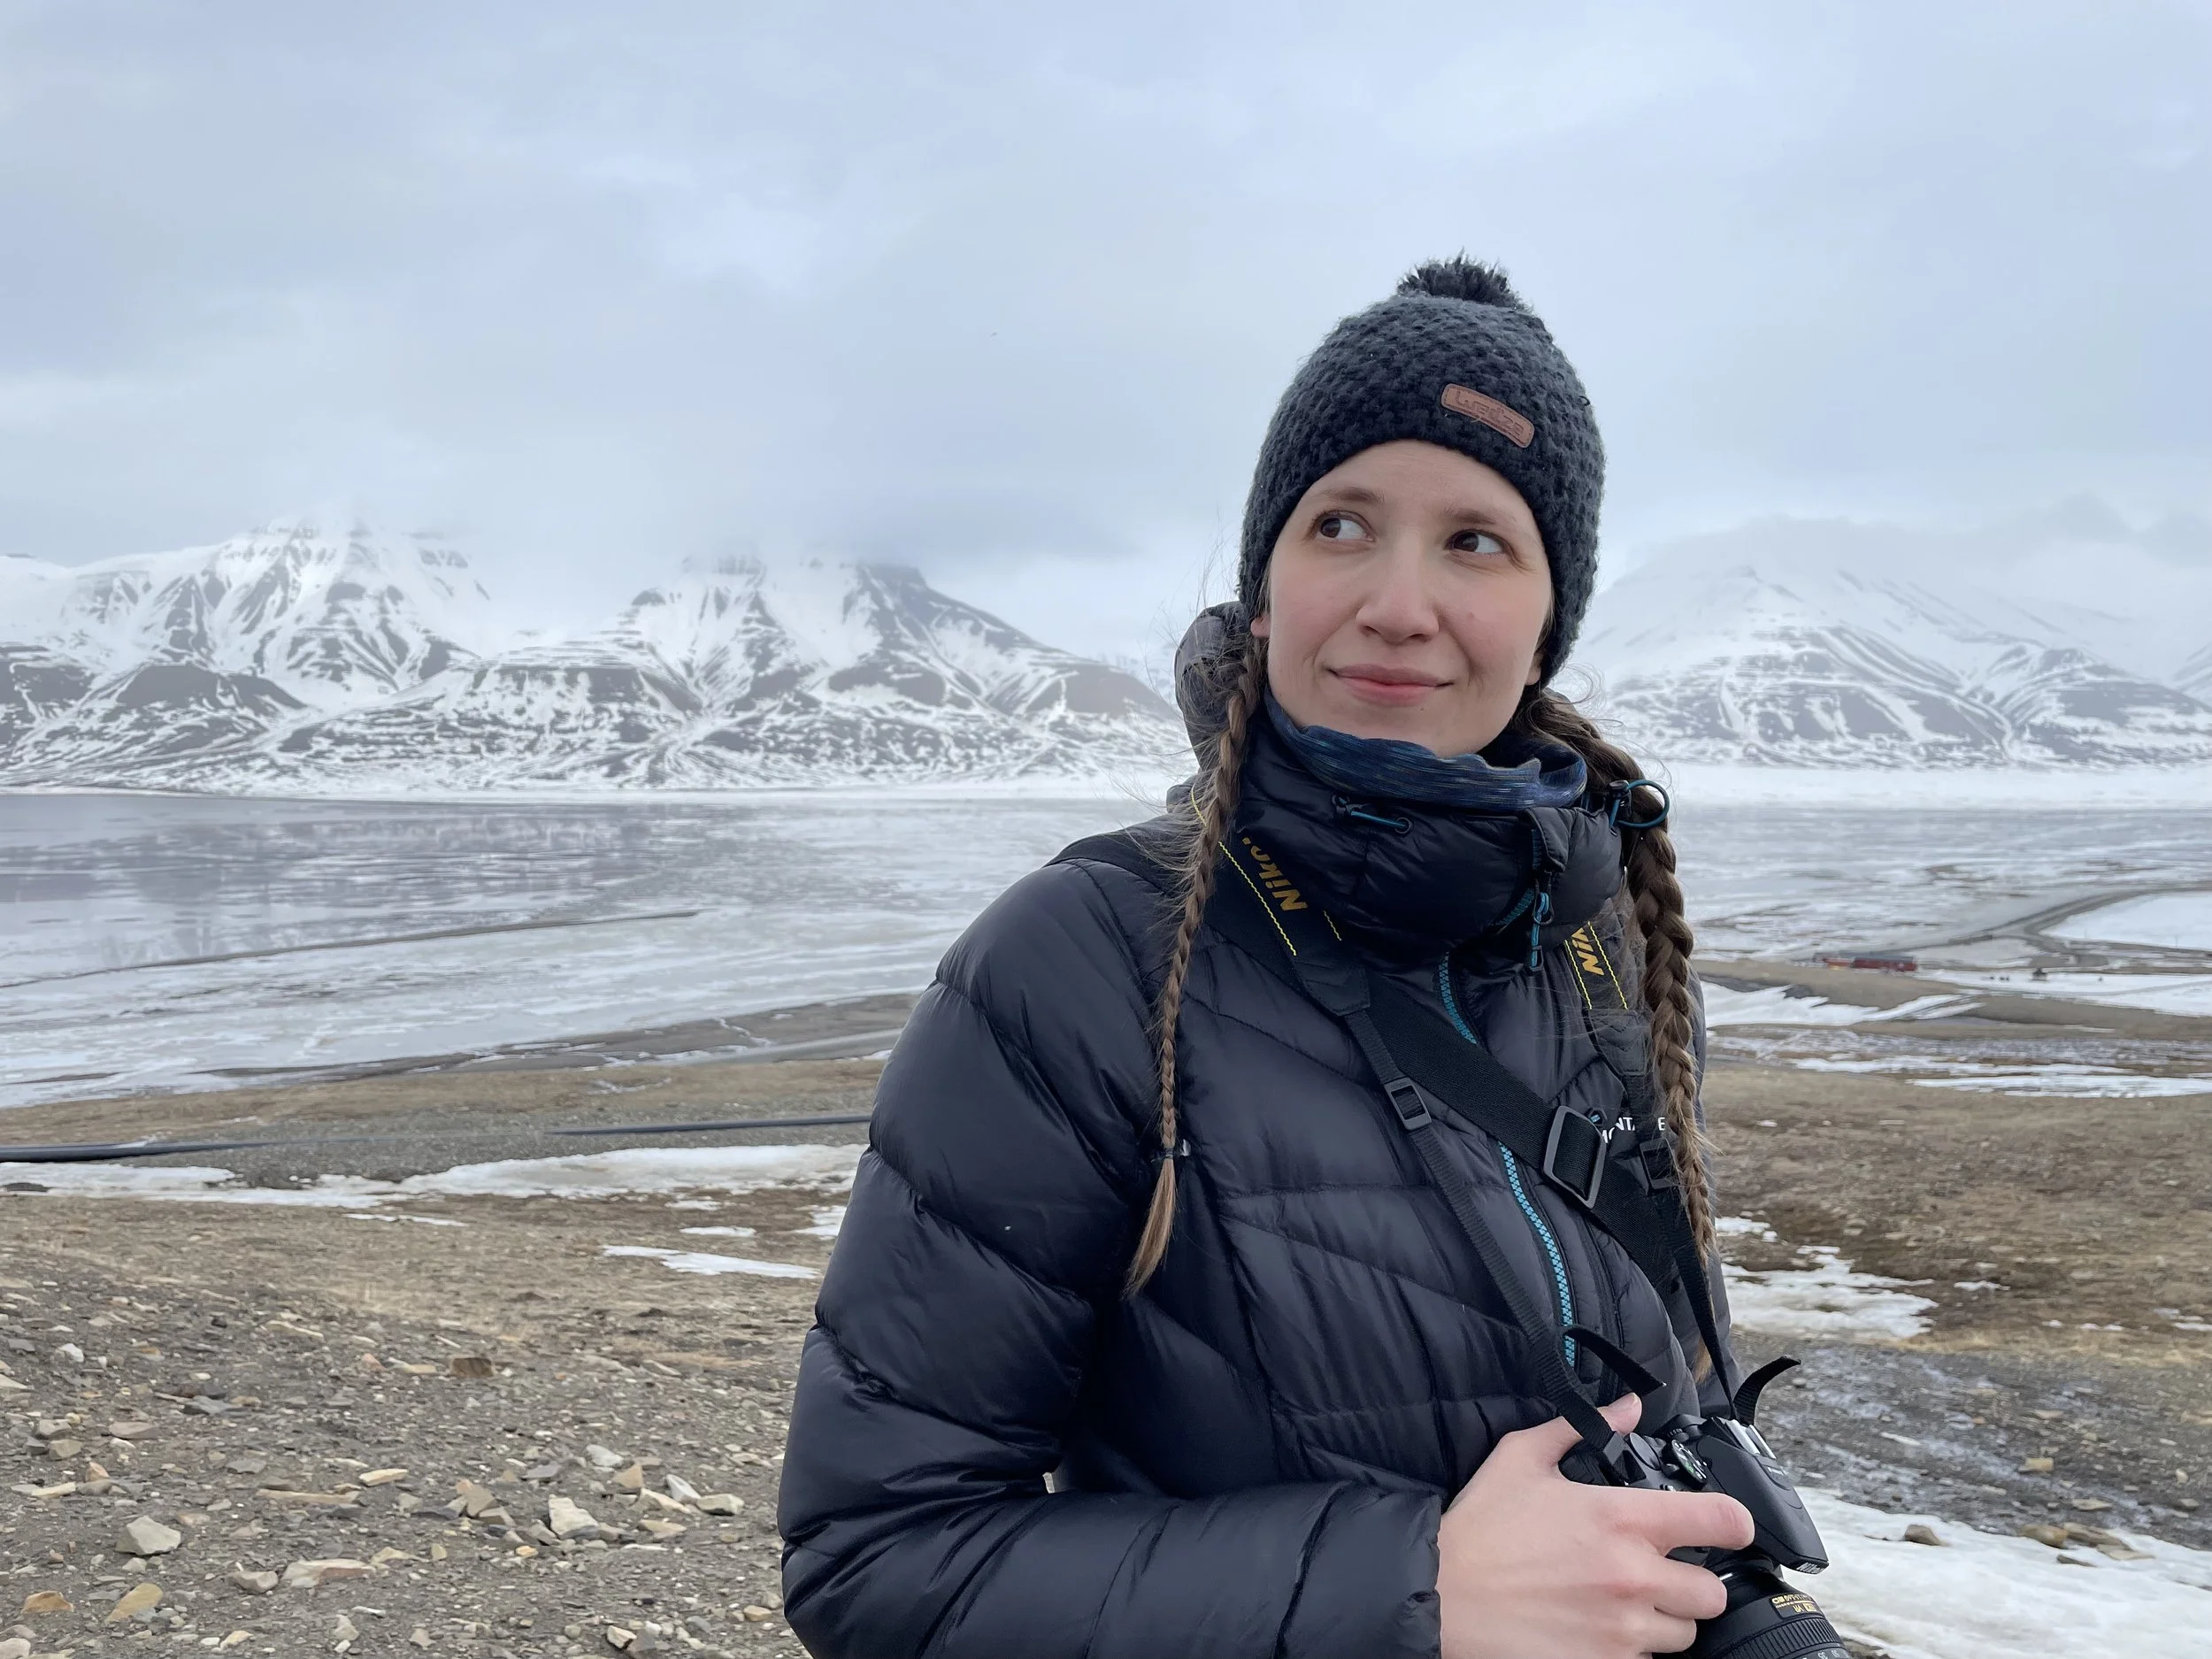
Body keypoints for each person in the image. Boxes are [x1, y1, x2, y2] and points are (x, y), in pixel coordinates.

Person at [778, 258, 1757, 1659]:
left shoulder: (1600, 948)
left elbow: (1645, 1441)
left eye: (1477, 540)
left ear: (1551, 615)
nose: (1399, 601)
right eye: (1343, 522)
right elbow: (879, 1560)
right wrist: (1419, 1588)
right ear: (1265, 581)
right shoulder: (1077, 965)